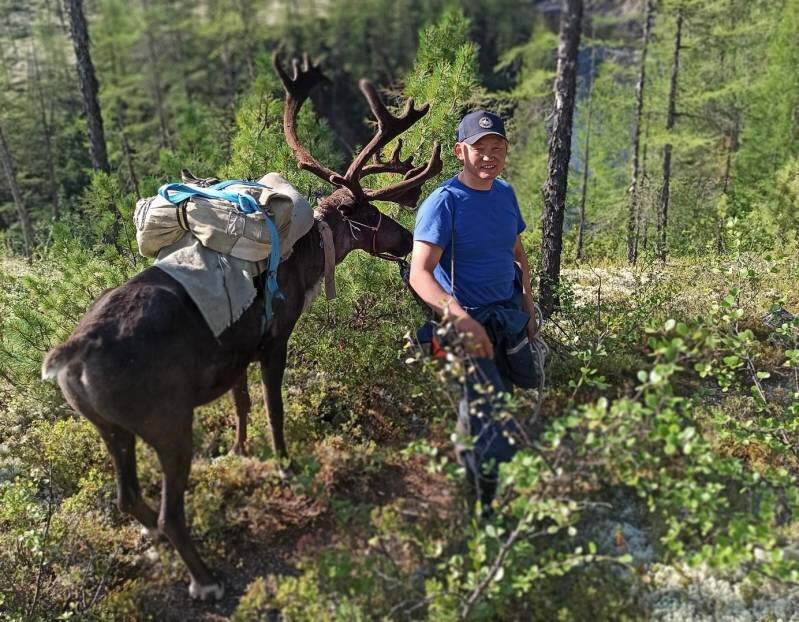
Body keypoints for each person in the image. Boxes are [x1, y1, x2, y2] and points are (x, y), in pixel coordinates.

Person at [409, 109, 540, 515]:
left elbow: (517, 253)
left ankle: (473, 469)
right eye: (479, 148)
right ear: (459, 151)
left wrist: (528, 303)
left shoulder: (505, 194)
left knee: (497, 401)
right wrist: (461, 318)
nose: (489, 155)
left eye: (497, 147)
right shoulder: (444, 203)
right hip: (464, 325)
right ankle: (485, 511)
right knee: (491, 414)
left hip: (506, 318)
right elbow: (420, 274)